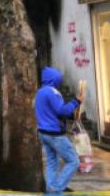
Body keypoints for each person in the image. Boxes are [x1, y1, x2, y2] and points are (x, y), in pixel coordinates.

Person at [35, 66, 84, 195]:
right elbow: (62, 111)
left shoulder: (40, 92)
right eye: (59, 79)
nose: (60, 82)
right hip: (55, 134)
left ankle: (51, 189)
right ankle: (56, 189)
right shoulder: (53, 92)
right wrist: (76, 102)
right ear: (55, 79)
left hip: (43, 132)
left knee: (52, 162)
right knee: (73, 161)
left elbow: (51, 111)